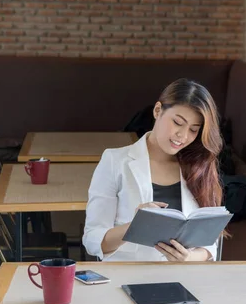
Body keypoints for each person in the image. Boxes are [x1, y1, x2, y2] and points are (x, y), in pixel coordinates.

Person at [82, 79, 223, 261]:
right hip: (127, 276)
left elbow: (210, 244)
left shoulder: (198, 166)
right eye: (177, 122)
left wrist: (189, 257)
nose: (183, 135)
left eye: (194, 130)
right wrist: (134, 226)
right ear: (158, 110)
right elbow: (93, 240)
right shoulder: (114, 161)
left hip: (182, 277)